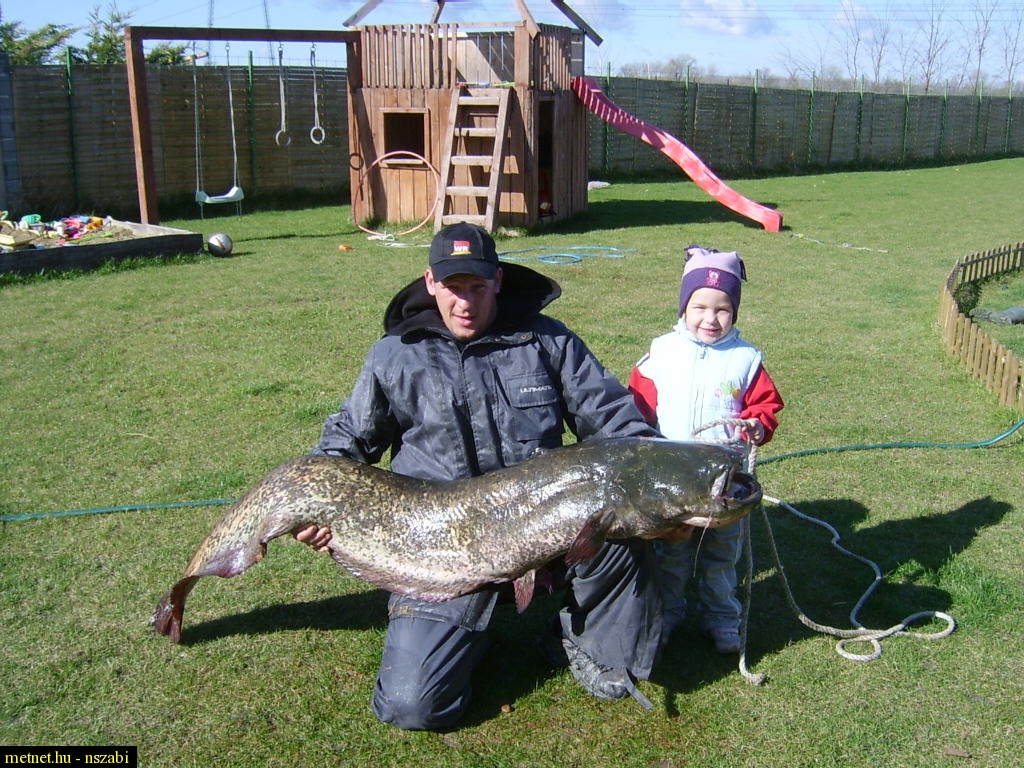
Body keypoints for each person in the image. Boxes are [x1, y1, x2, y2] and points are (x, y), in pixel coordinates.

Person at [295, 222, 664, 730]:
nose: (465, 302)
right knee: (412, 707)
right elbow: (344, 444)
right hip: (439, 549)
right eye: (453, 287)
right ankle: (466, 627)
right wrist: (316, 510)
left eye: (477, 286)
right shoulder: (394, 354)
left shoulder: (547, 340)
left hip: (547, 530)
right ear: (430, 282)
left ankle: (582, 641)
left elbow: (617, 423)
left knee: (627, 523)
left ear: (497, 280)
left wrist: (658, 481)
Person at [628, 245, 784, 654]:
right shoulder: (661, 353)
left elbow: (765, 406)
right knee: (671, 552)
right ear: (683, 306)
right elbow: (636, 407)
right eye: (699, 307)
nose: (710, 319)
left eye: (723, 309)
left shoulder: (745, 359)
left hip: (726, 482)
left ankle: (722, 617)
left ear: (735, 312)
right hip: (674, 483)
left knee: (722, 556)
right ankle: (667, 614)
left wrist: (757, 425)